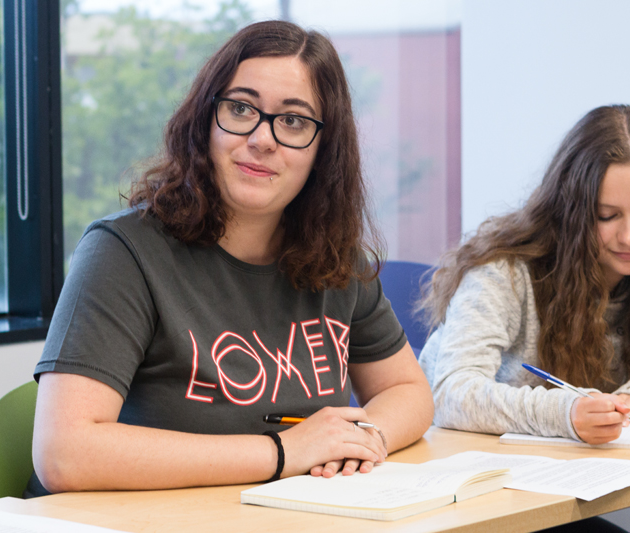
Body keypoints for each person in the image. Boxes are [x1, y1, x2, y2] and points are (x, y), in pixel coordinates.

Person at [29, 20, 433, 496]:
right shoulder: (123, 252)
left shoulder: (335, 261)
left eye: (294, 121)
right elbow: (63, 452)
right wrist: (285, 451)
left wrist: (361, 438)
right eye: (241, 108)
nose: (263, 139)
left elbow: (408, 393)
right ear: (205, 120)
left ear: (325, 151)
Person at [418, 105, 630, 445]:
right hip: (468, 474)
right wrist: (567, 412)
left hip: (576, 475)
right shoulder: (501, 274)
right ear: (569, 212)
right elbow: (452, 393)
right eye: (606, 216)